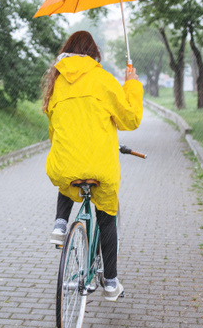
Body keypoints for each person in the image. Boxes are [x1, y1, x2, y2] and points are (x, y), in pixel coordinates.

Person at [41, 30, 144, 301]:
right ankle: (110, 283)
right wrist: (131, 84)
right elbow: (130, 119)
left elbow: (54, 130)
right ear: (93, 54)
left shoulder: (57, 84)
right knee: (107, 217)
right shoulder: (102, 79)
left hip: (65, 163)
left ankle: (60, 224)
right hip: (100, 167)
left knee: (68, 172)